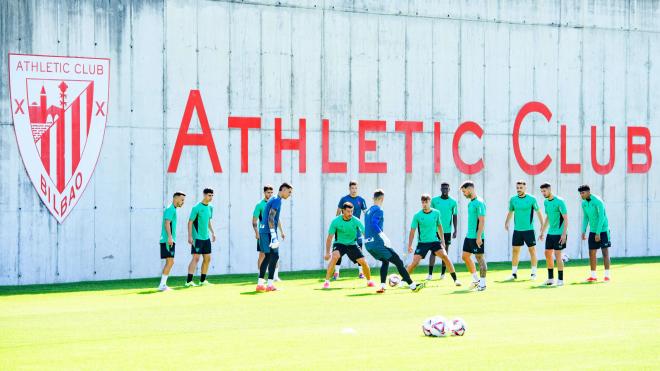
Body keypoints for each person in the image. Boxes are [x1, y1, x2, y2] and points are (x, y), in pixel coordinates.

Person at [363, 189, 425, 294]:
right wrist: (383, 236)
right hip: (378, 243)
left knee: (385, 261)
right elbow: (374, 224)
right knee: (398, 262)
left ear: (373, 198)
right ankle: (413, 286)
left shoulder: (368, 211)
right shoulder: (379, 210)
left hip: (369, 245)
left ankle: (382, 286)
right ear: (382, 199)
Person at [406, 194, 461, 286]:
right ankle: (403, 279)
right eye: (423, 202)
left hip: (435, 241)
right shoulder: (417, 215)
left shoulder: (436, 213)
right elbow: (412, 231)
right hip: (422, 243)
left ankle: (456, 280)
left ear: (430, 202)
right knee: (415, 262)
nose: (424, 204)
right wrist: (409, 245)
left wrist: (442, 241)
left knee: (445, 256)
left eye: (426, 202)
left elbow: (440, 226)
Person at [322, 202, 374, 289]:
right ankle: (326, 282)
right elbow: (329, 238)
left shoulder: (356, 220)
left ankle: (369, 281)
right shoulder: (335, 221)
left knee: (363, 262)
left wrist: (371, 242)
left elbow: (365, 232)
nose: (350, 213)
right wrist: (327, 253)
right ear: (343, 211)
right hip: (339, 244)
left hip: (352, 244)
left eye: (352, 211)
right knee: (335, 257)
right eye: (348, 211)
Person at [256, 183, 293, 292]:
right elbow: (271, 217)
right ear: (283, 189)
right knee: (275, 256)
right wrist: (273, 235)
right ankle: (270, 285)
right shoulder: (277, 200)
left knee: (268, 256)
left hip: (263, 231)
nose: (290, 194)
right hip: (268, 231)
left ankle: (260, 284)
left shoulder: (274, 198)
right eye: (289, 192)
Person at [504, 180, 544, 280]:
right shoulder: (513, 199)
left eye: (521, 188)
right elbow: (510, 212)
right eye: (517, 188)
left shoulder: (532, 199)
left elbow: (538, 212)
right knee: (515, 251)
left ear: (525, 188)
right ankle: (513, 274)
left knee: (532, 250)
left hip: (529, 230)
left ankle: (534, 273)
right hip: (517, 230)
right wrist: (506, 222)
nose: (519, 189)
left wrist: (542, 224)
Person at [333, 181, 369, 280]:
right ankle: (336, 273)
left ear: (357, 189)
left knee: (359, 250)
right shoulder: (344, 199)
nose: (354, 190)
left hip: (356, 229)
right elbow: (338, 213)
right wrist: (337, 227)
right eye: (352, 188)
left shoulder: (361, 200)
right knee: (338, 251)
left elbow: (366, 214)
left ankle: (361, 273)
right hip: (343, 230)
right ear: (349, 189)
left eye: (356, 188)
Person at [579, 185, 611, 282]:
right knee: (591, 253)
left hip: (603, 230)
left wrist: (598, 233)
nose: (581, 195)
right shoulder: (584, 203)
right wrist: (583, 231)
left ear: (588, 192)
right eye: (580, 193)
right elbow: (586, 217)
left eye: (583, 193)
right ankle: (593, 276)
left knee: (605, 252)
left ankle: (607, 276)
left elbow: (602, 217)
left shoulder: (598, 201)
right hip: (593, 231)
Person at [252, 185, 284, 281]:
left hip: (272, 232)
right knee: (263, 254)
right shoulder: (259, 205)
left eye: (271, 192)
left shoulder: (274, 202)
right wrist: (256, 232)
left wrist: (282, 231)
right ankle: (261, 276)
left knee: (275, 254)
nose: (270, 194)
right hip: (264, 233)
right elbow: (254, 221)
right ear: (264, 193)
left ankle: (275, 276)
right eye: (268, 192)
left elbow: (276, 219)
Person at [538, 183, 568, 286]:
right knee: (547, 253)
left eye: (544, 191)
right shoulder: (546, 202)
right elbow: (548, 218)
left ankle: (560, 280)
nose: (543, 193)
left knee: (557, 255)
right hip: (550, 233)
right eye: (541, 191)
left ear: (550, 189)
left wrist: (564, 234)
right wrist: (542, 231)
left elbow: (566, 218)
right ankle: (550, 279)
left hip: (559, 233)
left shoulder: (560, 201)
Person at [460, 181, 487, 291]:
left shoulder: (479, 203)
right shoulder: (470, 203)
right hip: (469, 236)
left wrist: (479, 236)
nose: (464, 193)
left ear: (470, 189)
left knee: (480, 258)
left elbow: (482, 221)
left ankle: (483, 284)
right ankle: (476, 280)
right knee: (465, 256)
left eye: (464, 191)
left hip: (477, 237)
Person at [186, 188, 216, 287]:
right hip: (197, 238)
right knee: (196, 258)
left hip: (206, 237)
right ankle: (188, 281)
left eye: (212, 195)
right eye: (209, 195)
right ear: (204, 195)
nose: (210, 197)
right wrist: (190, 236)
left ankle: (202, 281)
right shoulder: (196, 207)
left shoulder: (211, 207)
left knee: (207, 258)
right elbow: (190, 222)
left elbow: (208, 221)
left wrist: (213, 232)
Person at [430, 182, 458, 280]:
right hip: (435, 230)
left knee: (445, 252)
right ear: (440, 189)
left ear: (449, 189)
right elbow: (430, 215)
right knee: (433, 251)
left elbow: (455, 216)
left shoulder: (453, 202)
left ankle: (442, 274)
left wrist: (455, 230)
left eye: (446, 188)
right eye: (443, 188)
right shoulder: (434, 201)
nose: (445, 190)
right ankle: (430, 274)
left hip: (447, 231)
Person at [158, 192, 185, 291]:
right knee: (170, 262)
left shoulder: (173, 209)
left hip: (168, 240)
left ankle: (163, 285)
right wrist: (170, 237)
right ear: (176, 198)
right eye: (182, 200)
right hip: (167, 240)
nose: (183, 202)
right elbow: (167, 223)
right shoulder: (170, 209)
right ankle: (162, 285)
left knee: (170, 262)